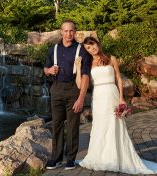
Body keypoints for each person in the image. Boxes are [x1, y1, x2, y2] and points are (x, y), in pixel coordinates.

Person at [75, 36, 157, 174]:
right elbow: (80, 85)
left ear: (97, 43)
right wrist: (78, 68)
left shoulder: (111, 58)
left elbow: (118, 78)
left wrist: (121, 98)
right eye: (88, 48)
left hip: (111, 94)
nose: (92, 49)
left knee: (114, 124)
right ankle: (101, 157)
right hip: (99, 96)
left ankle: (117, 157)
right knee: (100, 126)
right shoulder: (88, 63)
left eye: (92, 45)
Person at [43, 19, 91, 170]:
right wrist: (49, 71)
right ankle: (56, 158)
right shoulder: (53, 49)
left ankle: (70, 158)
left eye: (71, 31)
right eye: (66, 31)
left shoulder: (81, 50)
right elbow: (45, 69)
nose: (69, 33)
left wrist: (81, 97)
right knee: (56, 124)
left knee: (72, 125)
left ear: (75, 32)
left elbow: (85, 76)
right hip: (56, 89)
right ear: (61, 32)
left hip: (73, 90)